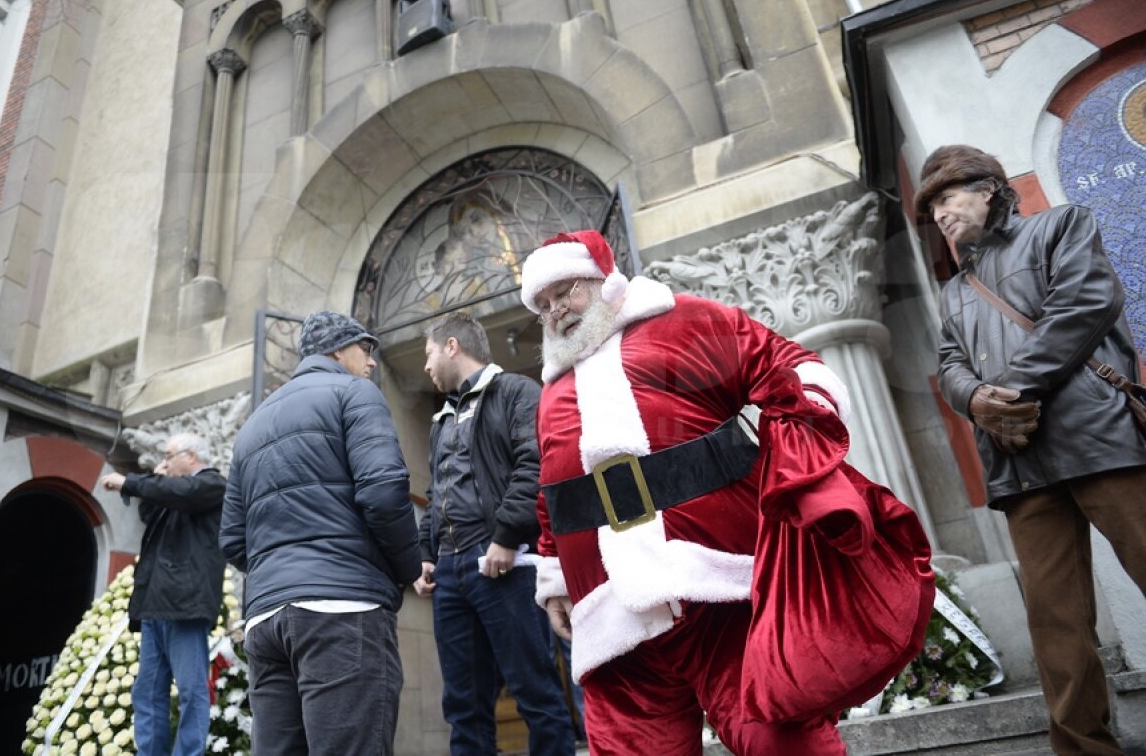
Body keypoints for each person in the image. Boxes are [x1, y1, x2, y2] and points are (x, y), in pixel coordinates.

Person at [519, 230, 935, 755]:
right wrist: (555, 580)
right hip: (613, 618)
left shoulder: (682, 321)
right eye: (545, 306)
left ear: (605, 282)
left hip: (722, 590)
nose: (557, 311)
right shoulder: (552, 390)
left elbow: (788, 365)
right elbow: (550, 494)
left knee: (778, 742)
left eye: (567, 292)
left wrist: (804, 438)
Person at [920, 144, 1146, 756]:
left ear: (989, 189)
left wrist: (1012, 390)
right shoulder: (954, 290)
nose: (939, 214)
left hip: (1097, 435)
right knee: (1057, 625)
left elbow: (1086, 304)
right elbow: (948, 364)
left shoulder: (1061, 226)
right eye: (932, 206)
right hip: (1018, 463)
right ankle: (1083, 748)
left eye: (947, 196)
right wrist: (975, 403)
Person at [219, 310, 421, 756]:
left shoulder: (251, 426)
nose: (371, 362)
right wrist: (408, 568)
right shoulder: (354, 393)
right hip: (341, 610)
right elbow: (385, 493)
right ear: (336, 350)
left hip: (267, 621)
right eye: (364, 349)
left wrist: (282, 572)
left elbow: (232, 538)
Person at [414, 311, 576, 755]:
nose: (425, 367)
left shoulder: (517, 392)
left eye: (429, 353)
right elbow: (436, 489)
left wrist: (505, 537)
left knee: (536, 693)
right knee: (463, 705)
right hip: (449, 574)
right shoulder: (441, 419)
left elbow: (534, 463)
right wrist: (427, 554)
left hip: (504, 564)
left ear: (452, 346)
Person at [101, 433, 226, 756]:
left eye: (170, 456)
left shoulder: (212, 485)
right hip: (155, 605)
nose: (165, 462)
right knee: (148, 693)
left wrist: (131, 482)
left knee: (191, 691)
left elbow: (184, 493)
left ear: (192, 457)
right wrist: (154, 482)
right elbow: (150, 514)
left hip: (185, 605)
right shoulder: (174, 492)